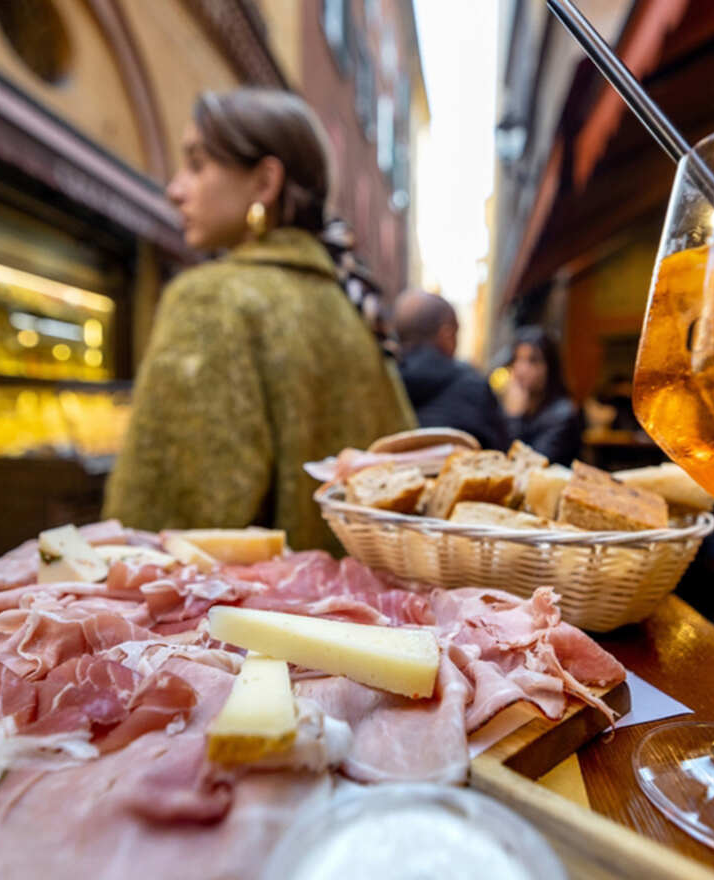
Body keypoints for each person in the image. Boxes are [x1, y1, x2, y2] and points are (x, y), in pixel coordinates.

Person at [103, 88, 415, 550]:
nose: (174, 189)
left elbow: (156, 536)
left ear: (264, 182)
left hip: (241, 621)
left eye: (196, 164)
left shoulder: (212, 299)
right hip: (363, 618)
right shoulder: (353, 311)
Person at [392, 290, 508, 450]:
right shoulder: (474, 386)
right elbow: (502, 456)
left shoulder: (381, 382)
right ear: (446, 334)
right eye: (456, 333)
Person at [501, 326, 583, 464]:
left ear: (549, 367)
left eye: (532, 361)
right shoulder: (519, 404)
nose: (521, 369)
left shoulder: (563, 415)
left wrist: (513, 417)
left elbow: (531, 466)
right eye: (517, 359)